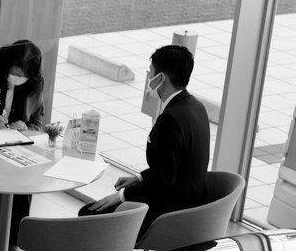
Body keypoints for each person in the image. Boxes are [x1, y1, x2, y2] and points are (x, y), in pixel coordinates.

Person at [82, 43, 211, 217]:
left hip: (168, 211)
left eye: (151, 71)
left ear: (161, 78)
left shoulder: (170, 119)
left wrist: (122, 196)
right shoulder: (197, 107)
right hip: (191, 203)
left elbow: (163, 181)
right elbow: (173, 166)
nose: (149, 76)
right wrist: (139, 178)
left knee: (88, 213)